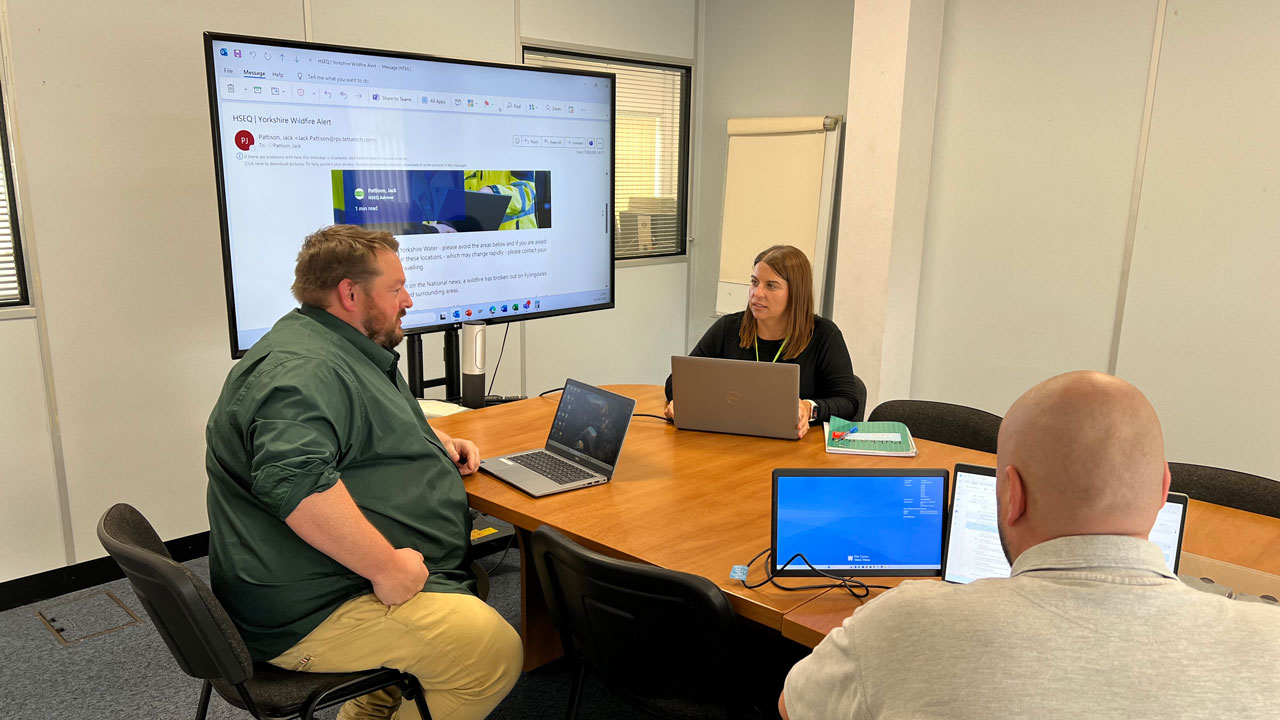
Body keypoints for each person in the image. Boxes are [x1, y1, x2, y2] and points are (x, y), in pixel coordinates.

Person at [779, 371, 1280, 719]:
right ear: (1161, 492)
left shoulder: (907, 623)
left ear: (1010, 494)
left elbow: (792, 705)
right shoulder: (1270, 644)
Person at [205, 225, 522, 720]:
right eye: (395, 289)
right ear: (349, 293)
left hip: (323, 579)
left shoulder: (335, 344)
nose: (408, 300)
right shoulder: (304, 368)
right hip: (315, 604)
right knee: (488, 653)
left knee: (455, 627)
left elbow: (349, 427)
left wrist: (428, 443)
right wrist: (386, 568)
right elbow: (294, 481)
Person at [664, 245, 859, 438]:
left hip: (794, 450)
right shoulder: (728, 328)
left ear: (796, 293)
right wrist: (681, 402)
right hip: (729, 441)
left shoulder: (824, 335)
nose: (757, 293)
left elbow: (848, 402)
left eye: (771, 285)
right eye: (754, 282)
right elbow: (679, 380)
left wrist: (809, 408)